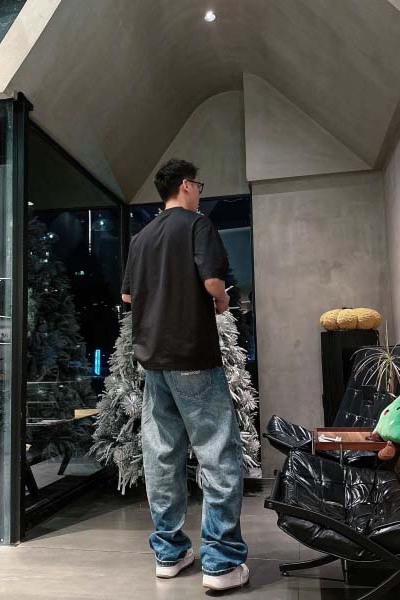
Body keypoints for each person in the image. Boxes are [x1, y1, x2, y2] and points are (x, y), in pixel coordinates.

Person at [120, 158, 249, 591]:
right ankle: (221, 563)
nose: (200, 193)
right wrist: (222, 301)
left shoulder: (141, 238)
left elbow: (127, 296)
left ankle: (170, 553)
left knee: (161, 454)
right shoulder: (197, 224)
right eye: (199, 185)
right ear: (187, 186)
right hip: (193, 354)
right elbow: (212, 282)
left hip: (154, 359)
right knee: (217, 453)